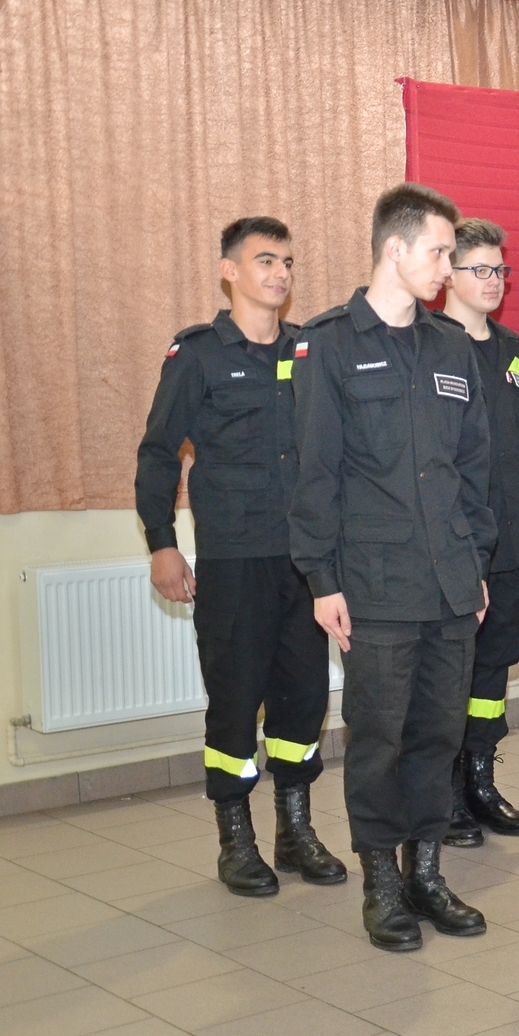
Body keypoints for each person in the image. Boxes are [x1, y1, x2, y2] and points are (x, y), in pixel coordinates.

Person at [290, 184, 495, 951]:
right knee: (379, 736)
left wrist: (475, 562)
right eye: (439, 252)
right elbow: (315, 471)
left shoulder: (451, 346)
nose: (448, 267)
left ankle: (426, 872)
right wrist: (322, 579)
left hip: (449, 581)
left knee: (439, 732)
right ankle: (381, 881)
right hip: (373, 584)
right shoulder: (330, 343)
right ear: (395, 248)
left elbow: (473, 468)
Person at [136, 217, 345, 899]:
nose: (280, 273)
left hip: (305, 562)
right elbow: (158, 453)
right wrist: (162, 542)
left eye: (287, 261)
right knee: (233, 702)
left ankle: (295, 831)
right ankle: (236, 841)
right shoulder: (198, 354)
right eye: (265, 260)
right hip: (234, 559)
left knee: (303, 701)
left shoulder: (308, 351)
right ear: (230, 271)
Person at [435, 219, 519, 846]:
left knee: (493, 669)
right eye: (479, 269)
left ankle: (480, 781)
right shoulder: (431, 345)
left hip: (513, 540)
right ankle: (444, 794)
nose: (494, 281)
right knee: (452, 673)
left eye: (500, 270)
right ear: (446, 275)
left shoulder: (511, 348)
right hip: (458, 545)